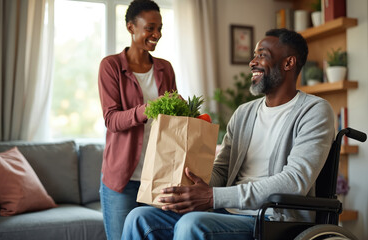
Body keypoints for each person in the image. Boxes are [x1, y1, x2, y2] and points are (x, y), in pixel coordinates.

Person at [121, 28, 335, 240]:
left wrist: (213, 197)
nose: (253, 62)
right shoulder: (244, 113)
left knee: (192, 224)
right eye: (254, 55)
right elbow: (221, 171)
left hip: (273, 219)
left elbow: (294, 181)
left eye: (262, 55)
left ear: (289, 63)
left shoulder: (314, 111)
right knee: (139, 218)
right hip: (226, 212)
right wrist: (188, 185)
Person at [97, 0, 177, 239]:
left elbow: (171, 123)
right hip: (123, 180)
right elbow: (111, 119)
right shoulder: (110, 66)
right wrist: (145, 110)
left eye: (160, 28)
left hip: (158, 178)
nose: (156, 34)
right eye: (150, 28)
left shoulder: (165, 68)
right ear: (131, 28)